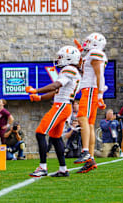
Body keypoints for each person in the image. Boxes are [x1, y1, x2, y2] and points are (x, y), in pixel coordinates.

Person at [26, 46, 82, 177]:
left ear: (69, 58)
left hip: (61, 106)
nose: (58, 59)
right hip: (63, 105)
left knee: (40, 132)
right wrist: (39, 97)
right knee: (55, 138)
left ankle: (42, 167)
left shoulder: (69, 69)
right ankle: (63, 169)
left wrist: (36, 90)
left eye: (61, 57)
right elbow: (56, 91)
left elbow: (56, 86)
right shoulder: (72, 71)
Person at [73, 33, 108, 173]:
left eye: (89, 41)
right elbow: (86, 70)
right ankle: (90, 159)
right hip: (91, 90)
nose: (86, 43)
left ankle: (86, 151)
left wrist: (100, 94)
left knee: (82, 118)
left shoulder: (95, 53)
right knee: (90, 124)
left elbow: (100, 74)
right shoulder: (92, 54)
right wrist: (81, 55)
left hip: (90, 91)